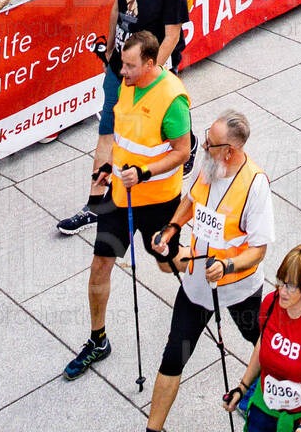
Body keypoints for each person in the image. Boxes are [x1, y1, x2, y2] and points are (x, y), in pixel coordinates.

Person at [65, 26, 194, 380]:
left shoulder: (172, 98)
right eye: (123, 64)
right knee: (100, 265)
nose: (122, 71)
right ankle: (98, 340)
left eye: (130, 65)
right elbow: (124, 137)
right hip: (121, 195)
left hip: (157, 201)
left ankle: (207, 269)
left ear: (150, 64)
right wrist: (110, 167)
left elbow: (182, 152)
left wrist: (145, 172)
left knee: (167, 264)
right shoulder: (126, 83)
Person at [56, 0, 193, 233]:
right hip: (120, 67)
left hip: (150, 72)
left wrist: (151, 78)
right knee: (107, 131)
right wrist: (109, 50)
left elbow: (172, 35)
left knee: (157, 130)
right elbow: (116, 8)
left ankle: (187, 142)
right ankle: (94, 205)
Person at [147, 110, 274, 432]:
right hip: (196, 285)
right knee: (174, 355)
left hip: (239, 287)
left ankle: (265, 389)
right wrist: (172, 229)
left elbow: (258, 250)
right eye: (206, 138)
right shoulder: (208, 166)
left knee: (261, 342)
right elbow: (191, 200)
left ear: (229, 151)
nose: (203, 146)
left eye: (210, 143)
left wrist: (226, 265)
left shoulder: (254, 185)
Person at [221, 243, 301, 432]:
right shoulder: (270, 303)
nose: (282, 291)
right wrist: (242, 388)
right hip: (268, 405)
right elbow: (262, 345)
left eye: (290, 286)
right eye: (281, 282)